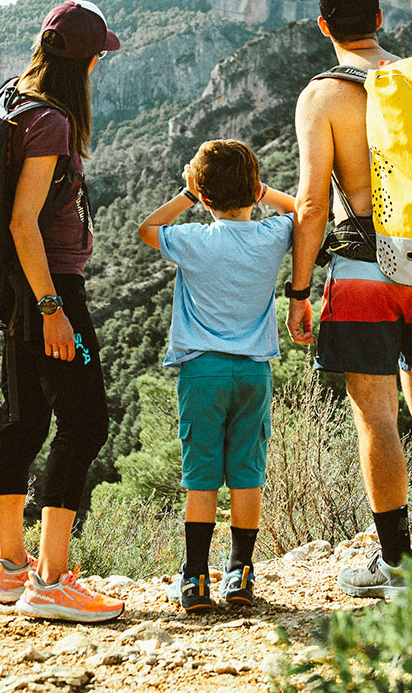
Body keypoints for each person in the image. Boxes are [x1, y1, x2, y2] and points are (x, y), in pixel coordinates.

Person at [285, 0, 412, 598]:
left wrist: (299, 290)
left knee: (377, 417)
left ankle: (395, 563)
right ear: (382, 19)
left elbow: (311, 204)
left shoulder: (323, 96)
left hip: (363, 268)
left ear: (323, 25)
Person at [0, 0, 125, 623]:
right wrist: (52, 308)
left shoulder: (12, 100)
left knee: (23, 421)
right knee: (85, 422)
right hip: (49, 289)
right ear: (87, 59)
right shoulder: (52, 123)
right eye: (98, 55)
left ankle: (10, 570)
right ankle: (52, 578)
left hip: (11, 290)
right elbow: (23, 220)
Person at [138, 140, 295, 611]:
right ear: (253, 189)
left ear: (204, 197)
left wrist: (187, 195)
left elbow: (147, 227)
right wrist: (261, 189)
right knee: (247, 474)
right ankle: (241, 574)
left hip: (202, 372)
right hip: (254, 372)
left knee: (202, 477)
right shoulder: (274, 235)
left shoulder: (192, 241)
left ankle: (196, 579)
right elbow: (308, 205)